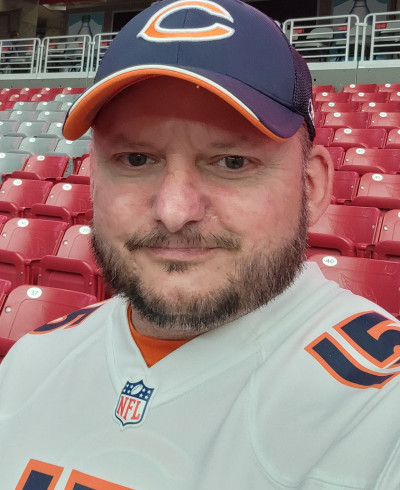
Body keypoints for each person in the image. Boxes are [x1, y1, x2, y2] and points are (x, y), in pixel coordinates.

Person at [0, 0, 399, 488]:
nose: (174, 211)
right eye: (135, 158)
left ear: (311, 188)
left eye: (232, 162)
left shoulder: (380, 410)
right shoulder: (33, 360)